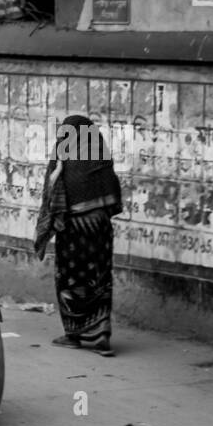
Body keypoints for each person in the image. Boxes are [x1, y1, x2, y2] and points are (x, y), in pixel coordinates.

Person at [34, 115, 124, 356]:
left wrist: (57, 173)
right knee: (100, 279)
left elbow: (53, 194)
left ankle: (74, 334)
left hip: (75, 231)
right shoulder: (101, 156)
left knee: (71, 280)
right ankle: (100, 334)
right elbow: (113, 196)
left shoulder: (64, 154)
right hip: (101, 230)